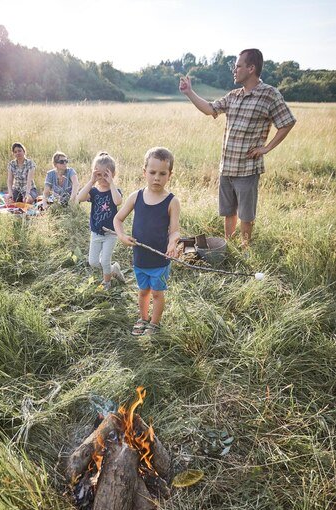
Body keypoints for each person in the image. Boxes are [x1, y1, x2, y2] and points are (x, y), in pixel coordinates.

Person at [179, 48, 296, 244]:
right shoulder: (234, 95)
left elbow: (287, 122)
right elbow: (210, 109)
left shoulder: (269, 94)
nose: (234, 70)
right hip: (227, 166)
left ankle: (245, 249)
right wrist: (189, 92)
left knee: (246, 216)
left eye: (238, 66)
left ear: (251, 68)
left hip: (248, 168)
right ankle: (229, 246)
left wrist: (266, 148)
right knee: (228, 212)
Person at [113, 147, 180, 336]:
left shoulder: (172, 202)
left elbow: (174, 231)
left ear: (170, 175)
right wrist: (122, 236)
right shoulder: (136, 197)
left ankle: (154, 323)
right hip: (140, 258)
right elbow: (118, 219)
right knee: (143, 291)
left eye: (162, 173)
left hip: (160, 260)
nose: (156, 178)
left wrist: (172, 244)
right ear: (144, 172)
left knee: (157, 293)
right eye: (152, 172)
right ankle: (143, 318)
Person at [77, 151, 125, 290]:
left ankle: (107, 283)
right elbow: (79, 198)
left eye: (106, 174)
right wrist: (92, 181)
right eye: (99, 174)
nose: (102, 178)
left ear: (112, 174)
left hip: (110, 233)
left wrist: (112, 183)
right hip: (96, 233)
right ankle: (113, 269)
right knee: (93, 262)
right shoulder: (94, 192)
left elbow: (118, 201)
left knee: (104, 260)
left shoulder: (114, 191)